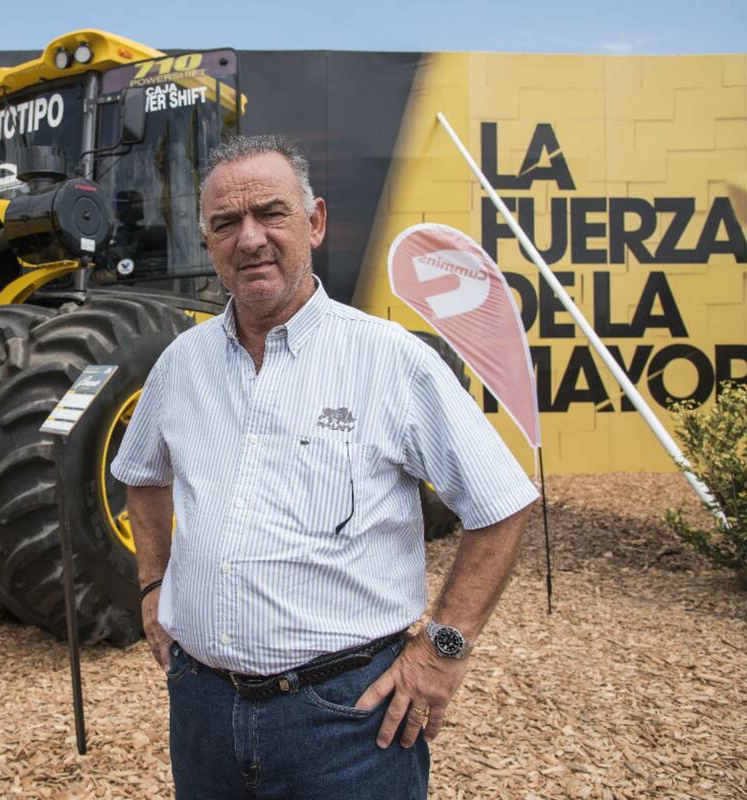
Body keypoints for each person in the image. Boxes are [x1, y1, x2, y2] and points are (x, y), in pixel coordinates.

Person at [110, 135, 538, 800]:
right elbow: (142, 474)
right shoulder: (181, 364)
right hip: (202, 711)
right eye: (226, 222)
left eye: (271, 214)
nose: (250, 239)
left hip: (348, 720)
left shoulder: (391, 361)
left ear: (314, 222)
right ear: (208, 241)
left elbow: (502, 503)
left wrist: (443, 650)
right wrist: (152, 585)